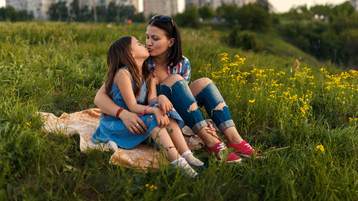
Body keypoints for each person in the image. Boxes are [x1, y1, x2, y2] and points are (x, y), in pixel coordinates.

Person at [94, 15, 260, 163]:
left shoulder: (182, 63)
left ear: (171, 42)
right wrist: (124, 114)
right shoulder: (139, 61)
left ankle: (235, 139)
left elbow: (184, 101)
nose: (148, 43)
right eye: (147, 37)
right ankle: (211, 143)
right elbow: (99, 98)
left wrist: (200, 119)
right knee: (175, 80)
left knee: (204, 82)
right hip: (151, 117)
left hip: (173, 113)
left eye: (155, 39)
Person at [92, 36, 203, 177]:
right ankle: (179, 163)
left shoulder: (148, 75)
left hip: (138, 116)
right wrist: (154, 110)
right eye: (138, 44)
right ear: (131, 54)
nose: (144, 44)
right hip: (118, 121)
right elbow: (132, 106)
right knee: (154, 119)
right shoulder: (123, 74)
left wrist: (161, 98)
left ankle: (187, 154)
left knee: (164, 112)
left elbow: (151, 99)